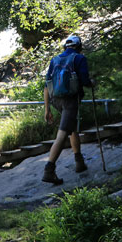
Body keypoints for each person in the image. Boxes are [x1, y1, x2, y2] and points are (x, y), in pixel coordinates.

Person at [42, 34, 93, 185]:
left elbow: (46, 85)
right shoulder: (79, 58)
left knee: (72, 127)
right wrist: (92, 83)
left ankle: (79, 162)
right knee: (63, 134)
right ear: (79, 47)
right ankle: (49, 170)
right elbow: (84, 80)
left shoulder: (55, 60)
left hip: (56, 100)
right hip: (71, 100)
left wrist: (47, 109)